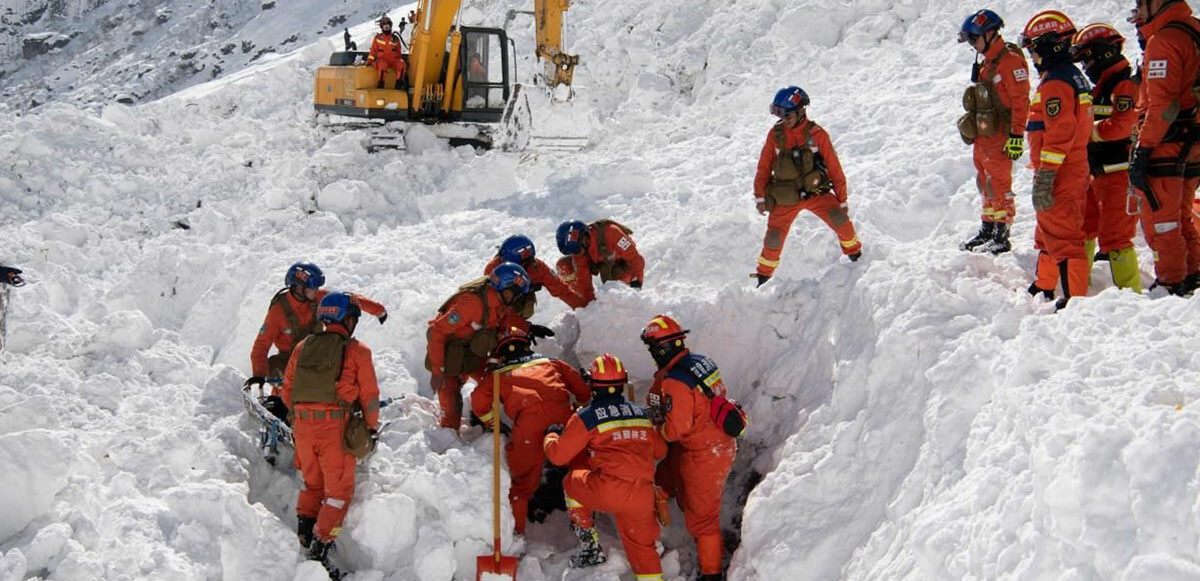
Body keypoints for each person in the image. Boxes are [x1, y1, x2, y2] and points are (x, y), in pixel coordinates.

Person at [543, 353, 667, 580]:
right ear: (623, 383)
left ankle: (590, 546)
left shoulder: (589, 416)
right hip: (643, 495)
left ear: (591, 384)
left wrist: (551, 435)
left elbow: (559, 457)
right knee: (643, 550)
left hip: (609, 489)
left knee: (571, 482)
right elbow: (660, 451)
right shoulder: (641, 414)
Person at [281, 292, 380, 572]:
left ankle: (305, 533)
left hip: (301, 426)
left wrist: (304, 416)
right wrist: (370, 428)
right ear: (347, 319)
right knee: (339, 492)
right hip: (333, 427)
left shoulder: (303, 346)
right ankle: (319, 551)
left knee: (313, 484)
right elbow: (371, 396)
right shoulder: (358, 351)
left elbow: (287, 391)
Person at [640, 315, 736, 581]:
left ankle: (711, 573)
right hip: (715, 439)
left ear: (661, 349)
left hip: (706, 453)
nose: (651, 355)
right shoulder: (700, 362)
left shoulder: (676, 381)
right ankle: (669, 505)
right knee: (674, 476)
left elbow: (676, 430)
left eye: (652, 350)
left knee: (703, 520)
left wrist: (656, 429)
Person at [469, 326, 591, 535]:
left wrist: (492, 423)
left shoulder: (497, 375)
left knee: (522, 484)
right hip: (564, 419)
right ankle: (585, 526)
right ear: (527, 343)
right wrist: (579, 407)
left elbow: (478, 401)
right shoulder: (551, 362)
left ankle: (517, 534)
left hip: (528, 427)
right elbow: (581, 389)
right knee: (579, 469)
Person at [752, 86, 862, 287]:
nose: (783, 119)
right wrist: (760, 196)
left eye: (786, 114)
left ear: (801, 111)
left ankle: (857, 256)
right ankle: (763, 277)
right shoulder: (775, 135)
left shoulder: (817, 135)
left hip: (816, 193)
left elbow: (834, 168)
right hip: (785, 197)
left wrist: (842, 199)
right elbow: (764, 167)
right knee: (773, 239)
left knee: (841, 221)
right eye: (778, 114)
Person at [1021, 11, 1093, 310]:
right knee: (1049, 229)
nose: (1033, 57)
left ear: (1050, 46)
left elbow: (1059, 133)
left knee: (1063, 236)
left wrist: (1047, 174)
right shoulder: (1072, 76)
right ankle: (1046, 283)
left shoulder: (1056, 83)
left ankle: (1074, 300)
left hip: (1060, 171)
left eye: (1033, 49)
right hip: (1071, 167)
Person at [246, 262, 386, 417]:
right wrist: (258, 375)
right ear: (298, 288)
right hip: (289, 363)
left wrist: (378, 310)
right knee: (288, 384)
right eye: (313, 288)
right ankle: (282, 407)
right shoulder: (278, 312)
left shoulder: (317, 298)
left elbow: (348, 300)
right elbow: (260, 347)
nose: (317, 291)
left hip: (318, 357)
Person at [1128, 0, 1200, 295]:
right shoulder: (1194, 30)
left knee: (1162, 220)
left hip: (1168, 143)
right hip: (1193, 140)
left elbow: (1163, 104)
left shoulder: (1164, 40)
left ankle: (1171, 282)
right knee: (1182, 214)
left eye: (1140, 5)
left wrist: (1144, 148)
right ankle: (1193, 272)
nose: (1138, 13)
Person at [1071, 23, 1142, 292]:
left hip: (1119, 173)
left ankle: (1131, 294)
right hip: (1095, 170)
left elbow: (1121, 127)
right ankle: (1079, 286)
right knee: (1084, 228)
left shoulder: (1124, 84)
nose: (1086, 65)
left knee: (1116, 237)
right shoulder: (1101, 85)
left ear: (1102, 53)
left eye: (1087, 57)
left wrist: (1085, 132)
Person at [426, 263, 539, 429]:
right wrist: (437, 371)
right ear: (506, 289)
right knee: (450, 413)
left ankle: (486, 416)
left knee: (497, 383)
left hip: (473, 352)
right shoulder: (471, 303)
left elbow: (504, 325)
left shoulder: (501, 303)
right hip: (449, 354)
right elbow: (436, 331)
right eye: (515, 294)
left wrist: (528, 328)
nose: (516, 299)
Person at [957, 9, 1032, 254]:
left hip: (1001, 135)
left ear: (989, 33)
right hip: (984, 136)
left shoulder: (1010, 62)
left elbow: (1021, 102)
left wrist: (1017, 136)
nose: (972, 44)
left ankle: (1002, 233)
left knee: (1000, 184)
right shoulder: (988, 61)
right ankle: (988, 227)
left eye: (974, 39)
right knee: (985, 183)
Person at [485, 234, 587, 318]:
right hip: (500, 307)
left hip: (521, 303)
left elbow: (560, 288)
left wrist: (584, 308)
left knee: (526, 308)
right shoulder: (492, 270)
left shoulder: (537, 268)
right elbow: (491, 305)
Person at [554, 219, 645, 305]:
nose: (576, 255)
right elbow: (584, 281)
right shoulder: (579, 252)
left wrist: (636, 284)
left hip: (621, 266)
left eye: (576, 251)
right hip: (600, 264)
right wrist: (590, 306)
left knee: (615, 299)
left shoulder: (611, 232)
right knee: (564, 265)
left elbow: (635, 259)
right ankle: (581, 303)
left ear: (584, 240)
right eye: (573, 252)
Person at [366, 15, 407, 90]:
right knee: (382, 65)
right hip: (382, 60)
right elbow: (373, 51)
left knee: (402, 65)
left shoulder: (395, 39)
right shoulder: (378, 38)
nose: (386, 27)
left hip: (393, 60)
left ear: (390, 26)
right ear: (382, 27)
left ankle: (398, 86)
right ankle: (380, 85)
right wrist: (369, 62)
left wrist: (401, 60)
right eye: (384, 26)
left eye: (388, 26)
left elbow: (398, 51)